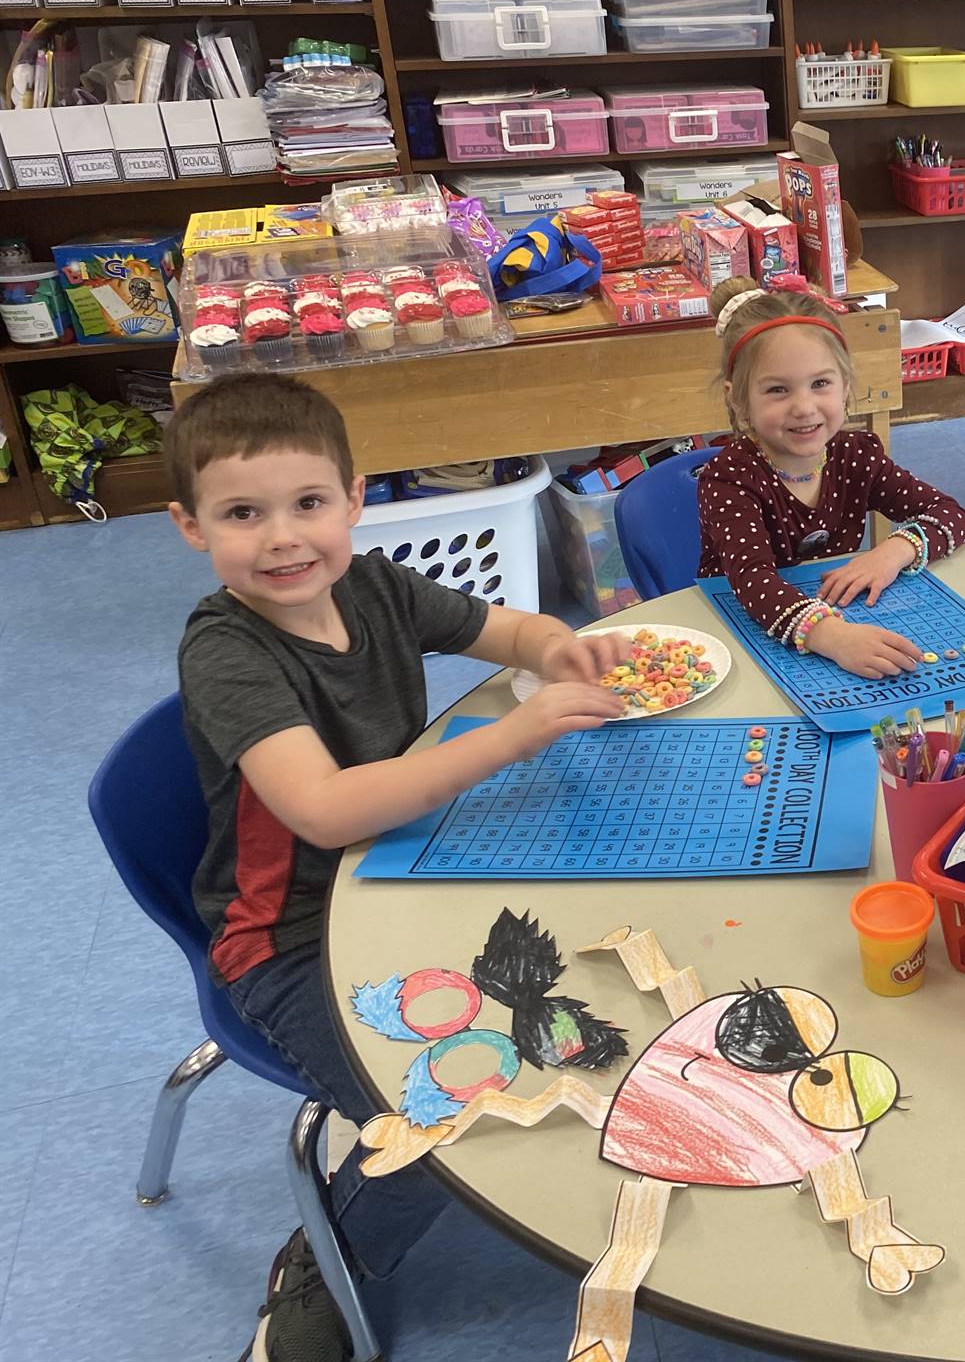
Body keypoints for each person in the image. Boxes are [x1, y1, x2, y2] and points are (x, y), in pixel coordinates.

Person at [165, 376, 627, 1361]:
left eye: (308, 505)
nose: (285, 539)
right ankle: (327, 1255)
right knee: (454, 1110)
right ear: (189, 526)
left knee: (593, 988)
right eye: (243, 514)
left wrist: (552, 645)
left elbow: (503, 629)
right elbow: (324, 809)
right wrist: (514, 733)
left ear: (355, 497)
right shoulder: (226, 652)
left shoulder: (374, 583)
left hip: (406, 867)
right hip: (288, 937)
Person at [696, 276, 965, 679]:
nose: (804, 407)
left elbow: (949, 513)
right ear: (738, 399)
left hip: (838, 618)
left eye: (820, 383)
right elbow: (752, 580)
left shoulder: (856, 455)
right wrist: (833, 637)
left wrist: (892, 552)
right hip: (743, 637)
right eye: (777, 390)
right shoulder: (729, 478)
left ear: (845, 387)